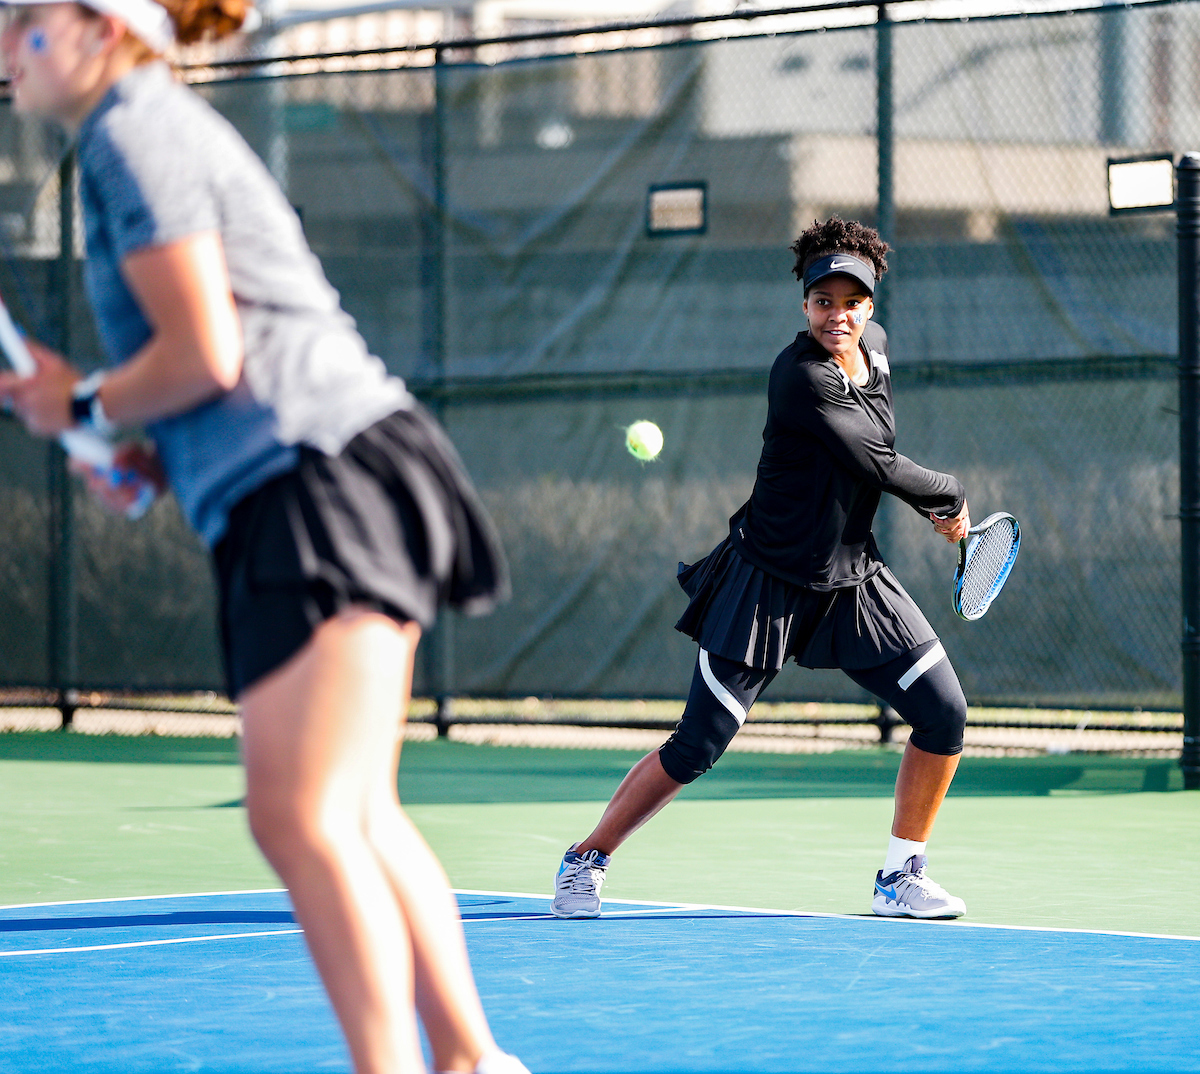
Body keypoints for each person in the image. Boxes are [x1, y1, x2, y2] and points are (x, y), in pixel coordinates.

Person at [0, 3, 529, 1072]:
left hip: (321, 476)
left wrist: (85, 405)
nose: (6, 44)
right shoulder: (139, 128)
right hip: (316, 474)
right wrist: (149, 450)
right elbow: (210, 365)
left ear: (101, 28)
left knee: (299, 814)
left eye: (24, 21)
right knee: (354, 811)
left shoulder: (132, 130)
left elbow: (207, 351)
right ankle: (475, 1063)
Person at [552, 217, 973, 923]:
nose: (836, 315)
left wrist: (934, 504)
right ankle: (585, 859)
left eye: (850, 301)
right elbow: (873, 460)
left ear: (871, 306)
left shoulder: (878, 352)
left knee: (943, 714)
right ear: (803, 306)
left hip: (852, 581)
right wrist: (949, 496)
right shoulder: (799, 377)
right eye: (822, 301)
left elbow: (874, 464)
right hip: (766, 584)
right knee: (697, 746)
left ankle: (901, 877)